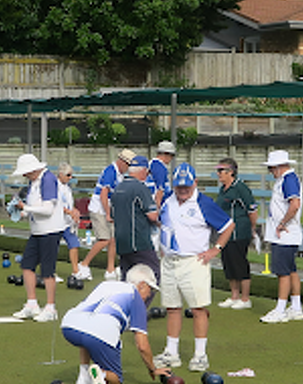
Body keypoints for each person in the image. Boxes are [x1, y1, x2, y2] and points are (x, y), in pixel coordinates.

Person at [154, 162, 234, 372]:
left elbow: (228, 226)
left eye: (186, 187)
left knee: (198, 309)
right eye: (179, 186)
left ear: (195, 183)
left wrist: (215, 249)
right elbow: (163, 222)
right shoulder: (168, 200)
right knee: (172, 308)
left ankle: (200, 355)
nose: (182, 191)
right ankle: (172, 352)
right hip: (170, 262)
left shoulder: (203, 203)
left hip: (194, 262)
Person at [61, 264, 170, 384]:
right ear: (141, 285)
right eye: (150, 289)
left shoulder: (107, 284)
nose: (149, 295)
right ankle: (101, 374)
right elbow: (142, 345)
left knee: (88, 334)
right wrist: (153, 369)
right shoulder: (136, 299)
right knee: (116, 383)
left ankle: (83, 378)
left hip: (69, 326)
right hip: (100, 333)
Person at [10, 153, 64, 322]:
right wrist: (22, 212)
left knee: (47, 271)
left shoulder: (48, 179)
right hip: (37, 230)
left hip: (50, 230)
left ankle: (50, 307)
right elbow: (35, 207)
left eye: (26, 172)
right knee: (27, 265)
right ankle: (32, 304)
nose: (24, 175)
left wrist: (25, 207)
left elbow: (48, 209)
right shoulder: (33, 182)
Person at [76, 148, 135, 281]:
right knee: (104, 239)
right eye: (128, 165)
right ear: (122, 161)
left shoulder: (120, 174)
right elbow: (103, 194)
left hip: (109, 209)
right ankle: (84, 264)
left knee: (113, 240)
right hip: (99, 209)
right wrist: (108, 214)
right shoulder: (110, 171)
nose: (128, 168)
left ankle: (110, 269)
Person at [260, 150, 303, 323]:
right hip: (285, 233)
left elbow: (294, 205)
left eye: (271, 168)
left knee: (282, 272)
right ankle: (295, 307)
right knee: (291, 269)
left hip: (285, 234)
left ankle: (280, 310)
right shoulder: (285, 180)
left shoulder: (288, 180)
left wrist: (282, 223)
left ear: (279, 167)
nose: (270, 172)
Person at [215, 157, 259, 309]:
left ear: (230, 172)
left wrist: (252, 228)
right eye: (218, 170)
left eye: (221, 171)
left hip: (239, 232)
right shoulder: (222, 189)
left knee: (240, 264)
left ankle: (245, 299)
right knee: (228, 264)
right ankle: (234, 296)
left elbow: (252, 209)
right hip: (224, 233)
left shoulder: (241, 188)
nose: (218, 174)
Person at [111, 155, 160, 285]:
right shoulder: (140, 188)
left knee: (127, 279)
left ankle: (125, 305)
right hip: (139, 241)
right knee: (153, 276)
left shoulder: (118, 188)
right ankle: (140, 305)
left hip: (121, 242)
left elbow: (111, 215)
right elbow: (153, 216)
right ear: (143, 170)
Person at [57, 163, 81, 279]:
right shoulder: (54, 186)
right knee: (52, 248)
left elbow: (69, 204)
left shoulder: (67, 188)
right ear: (61, 174)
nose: (70, 177)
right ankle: (49, 272)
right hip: (55, 222)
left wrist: (75, 211)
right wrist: (69, 212)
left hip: (67, 222)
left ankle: (75, 271)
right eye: (68, 175)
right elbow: (55, 205)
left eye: (71, 175)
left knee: (74, 244)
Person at [147, 140, 175, 208]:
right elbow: (160, 189)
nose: (171, 158)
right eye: (172, 155)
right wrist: (158, 208)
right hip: (157, 202)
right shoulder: (160, 167)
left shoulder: (152, 163)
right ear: (166, 154)